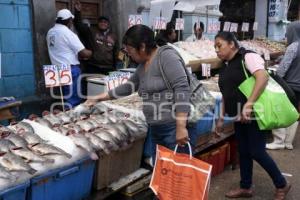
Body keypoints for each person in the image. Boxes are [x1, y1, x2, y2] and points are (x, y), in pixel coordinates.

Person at [85, 24, 196, 160]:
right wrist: (99, 97)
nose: (129, 53)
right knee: (162, 172)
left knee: (178, 174)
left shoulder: (166, 56)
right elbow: (128, 87)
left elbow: (182, 88)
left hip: (173, 128)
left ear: (142, 47)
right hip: (156, 127)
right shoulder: (143, 64)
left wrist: (181, 126)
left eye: (130, 49)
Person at [214, 32, 291, 199]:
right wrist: (221, 118)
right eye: (215, 47)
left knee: (257, 151)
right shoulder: (225, 65)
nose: (217, 50)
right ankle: (246, 187)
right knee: (244, 151)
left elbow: (262, 77)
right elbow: (225, 94)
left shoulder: (247, 57)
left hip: (255, 112)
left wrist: (248, 105)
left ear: (232, 44)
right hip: (238, 116)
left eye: (219, 45)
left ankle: (282, 184)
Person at [46, 9, 92, 108]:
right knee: (73, 100)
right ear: (69, 20)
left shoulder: (50, 32)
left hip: (56, 69)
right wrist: (91, 53)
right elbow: (84, 53)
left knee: (64, 97)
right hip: (70, 69)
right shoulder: (68, 33)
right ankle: (71, 118)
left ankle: (64, 114)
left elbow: (62, 49)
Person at [266, 21, 300, 150]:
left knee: (280, 109)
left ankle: (279, 141)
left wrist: (275, 76)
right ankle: (288, 142)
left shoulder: (293, 47)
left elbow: (283, 69)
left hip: (289, 85)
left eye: (288, 31)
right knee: (294, 111)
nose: (287, 34)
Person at [74, 0, 120, 74]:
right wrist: (78, 12)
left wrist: (116, 67)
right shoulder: (91, 31)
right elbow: (79, 26)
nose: (103, 23)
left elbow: (116, 52)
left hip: (108, 68)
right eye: (101, 22)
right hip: (93, 67)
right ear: (98, 23)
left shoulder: (113, 36)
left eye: (105, 22)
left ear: (108, 24)